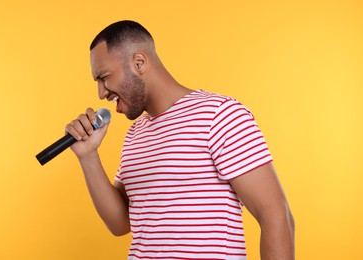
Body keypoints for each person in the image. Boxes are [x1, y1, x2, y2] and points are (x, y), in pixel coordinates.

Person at [65, 20, 295, 259]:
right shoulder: (136, 134)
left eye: (104, 78)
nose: (101, 93)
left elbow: (276, 216)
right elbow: (121, 223)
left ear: (139, 63)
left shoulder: (219, 114)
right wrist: (88, 156)